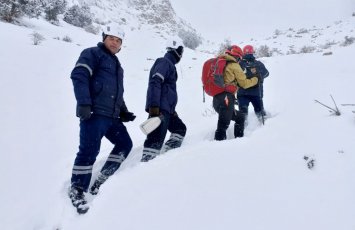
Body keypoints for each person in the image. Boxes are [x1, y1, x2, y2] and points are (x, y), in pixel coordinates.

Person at [68, 24, 136, 213]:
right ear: (104, 38)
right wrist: (83, 103)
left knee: (125, 144)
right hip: (94, 114)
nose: (115, 42)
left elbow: (117, 92)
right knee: (89, 152)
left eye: (118, 40)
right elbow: (79, 76)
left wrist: (123, 111)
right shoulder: (92, 53)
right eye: (112, 38)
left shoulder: (117, 65)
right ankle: (77, 189)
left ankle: (102, 178)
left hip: (112, 117)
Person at [141, 37, 187, 162]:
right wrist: (154, 106)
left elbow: (167, 92)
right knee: (154, 142)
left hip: (167, 110)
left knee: (180, 129)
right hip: (159, 110)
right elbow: (155, 82)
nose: (181, 55)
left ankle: (168, 157)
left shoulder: (170, 64)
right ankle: (144, 170)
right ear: (176, 49)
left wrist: (172, 110)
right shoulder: (164, 62)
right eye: (181, 51)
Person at [213, 45, 259, 141]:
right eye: (239, 58)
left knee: (240, 117)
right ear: (237, 56)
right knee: (222, 126)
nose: (239, 60)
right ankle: (217, 148)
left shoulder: (219, 61)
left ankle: (238, 141)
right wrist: (255, 79)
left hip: (216, 99)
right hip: (226, 98)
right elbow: (244, 83)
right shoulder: (234, 65)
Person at [237, 45, 269, 126]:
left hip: (242, 93)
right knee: (261, 114)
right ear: (252, 52)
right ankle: (265, 128)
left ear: (243, 53)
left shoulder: (239, 64)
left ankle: (242, 131)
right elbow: (266, 73)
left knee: (243, 114)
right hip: (257, 93)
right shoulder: (258, 64)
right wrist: (258, 77)